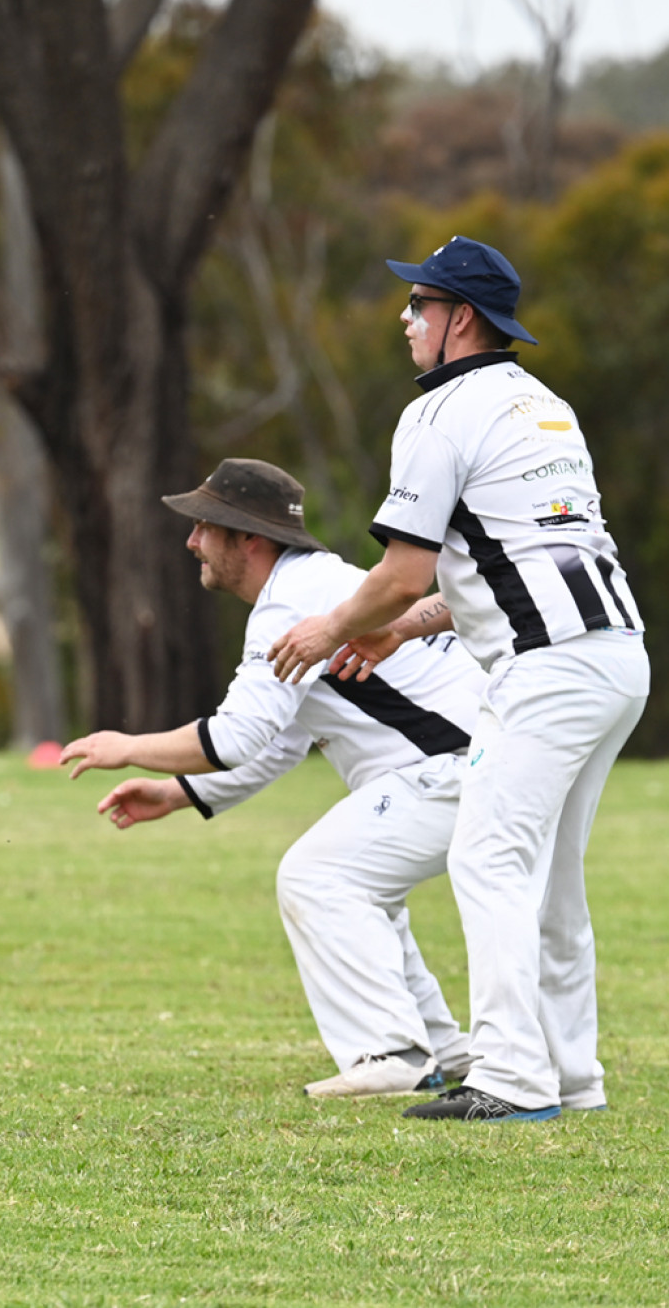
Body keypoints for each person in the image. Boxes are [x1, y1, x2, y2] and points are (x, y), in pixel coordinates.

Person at [267, 236, 648, 1123]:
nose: (407, 320)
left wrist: (335, 625)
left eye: (420, 305)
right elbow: (498, 563)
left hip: (546, 671)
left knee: (488, 857)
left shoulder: (437, 415)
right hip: (617, 655)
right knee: (551, 876)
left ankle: (512, 1078)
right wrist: (401, 627)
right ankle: (572, 1076)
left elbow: (405, 568)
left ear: (460, 320)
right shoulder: (547, 406)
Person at [59, 459, 482, 1097]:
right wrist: (178, 793)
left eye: (205, 528)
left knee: (319, 876)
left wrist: (129, 748)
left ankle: (391, 1054)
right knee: (359, 886)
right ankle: (444, 1051)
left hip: (455, 769)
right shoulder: (312, 587)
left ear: (248, 539)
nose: (191, 542)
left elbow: (236, 737)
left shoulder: (290, 600)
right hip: (475, 764)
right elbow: (281, 738)